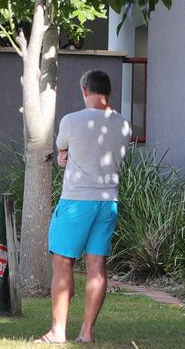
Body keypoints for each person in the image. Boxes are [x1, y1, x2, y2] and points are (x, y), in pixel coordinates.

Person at [35, 70, 131, 344]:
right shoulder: (124, 124)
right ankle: (86, 332)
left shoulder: (72, 120)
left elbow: (62, 148)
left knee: (63, 262)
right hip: (108, 201)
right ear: (108, 92)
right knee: (97, 264)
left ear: (84, 91)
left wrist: (65, 157)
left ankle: (58, 331)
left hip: (77, 200)